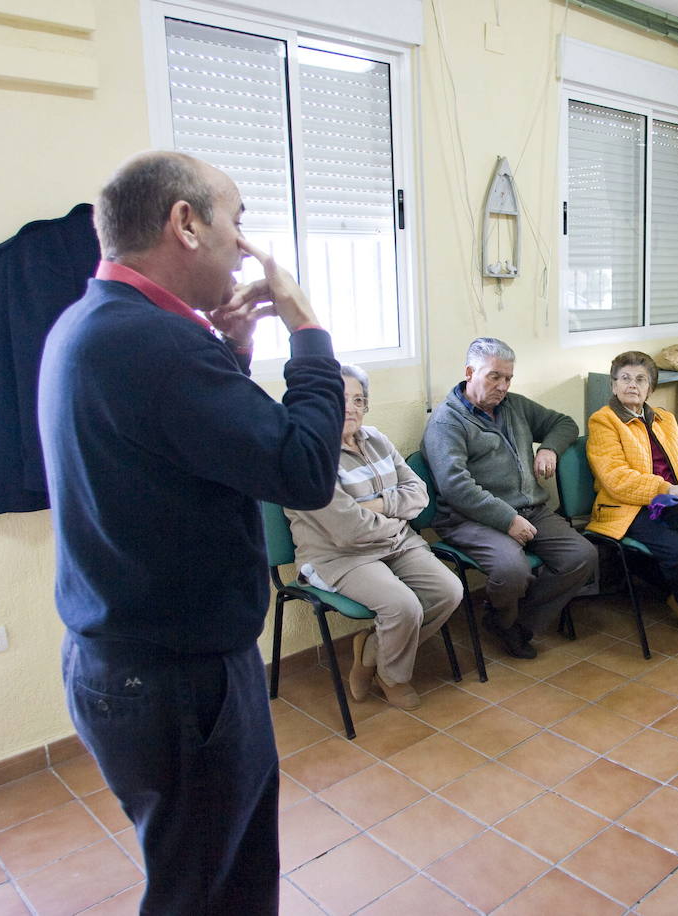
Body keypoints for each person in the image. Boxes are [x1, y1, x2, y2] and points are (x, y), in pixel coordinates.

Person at [39, 151, 345, 913]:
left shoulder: (91, 323)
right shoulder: (157, 347)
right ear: (184, 222)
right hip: (175, 680)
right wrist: (307, 331)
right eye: (235, 223)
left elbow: (188, 451)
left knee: (215, 870)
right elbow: (305, 470)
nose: (243, 246)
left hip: (128, 663)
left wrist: (232, 358)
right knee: (209, 890)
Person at [285, 365, 462, 710]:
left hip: (396, 543)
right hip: (340, 555)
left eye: (358, 400)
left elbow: (419, 493)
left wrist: (379, 504)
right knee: (403, 605)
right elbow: (348, 529)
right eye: (339, 399)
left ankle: (370, 651)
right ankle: (393, 676)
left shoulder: (376, 439)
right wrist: (395, 519)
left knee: (449, 591)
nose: (350, 408)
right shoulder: (306, 458)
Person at [421, 338, 597, 660]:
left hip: (530, 509)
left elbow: (564, 423)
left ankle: (513, 623)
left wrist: (548, 447)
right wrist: (507, 520)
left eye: (508, 378)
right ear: (470, 372)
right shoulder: (447, 422)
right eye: (494, 377)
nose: (502, 386)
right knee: (512, 569)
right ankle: (505, 618)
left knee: (582, 556)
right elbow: (455, 486)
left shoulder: (514, 405)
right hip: (469, 518)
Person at [587, 351, 678, 638]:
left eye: (640, 379)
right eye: (624, 378)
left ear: (651, 388)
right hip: (629, 506)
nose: (632, 385)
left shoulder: (665, 419)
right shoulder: (603, 421)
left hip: (674, 503)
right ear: (613, 385)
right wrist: (670, 488)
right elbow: (616, 479)